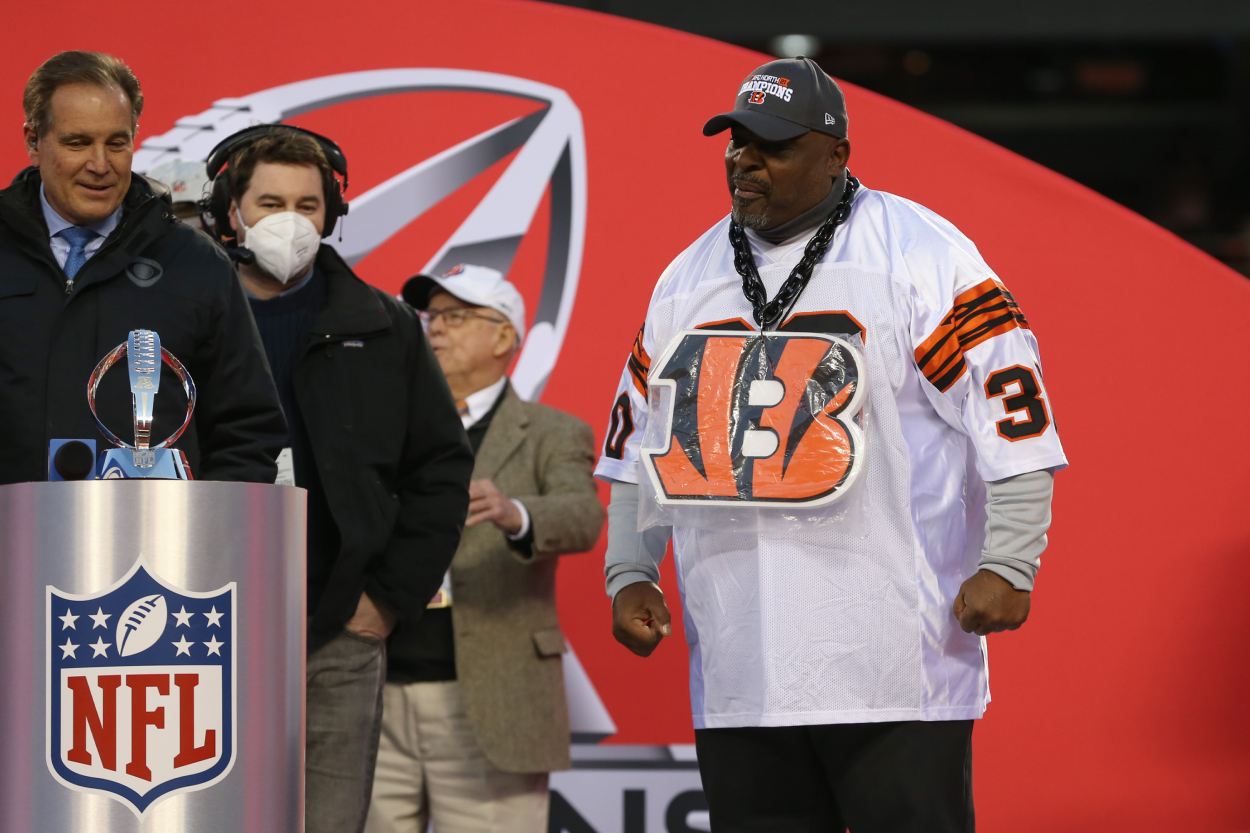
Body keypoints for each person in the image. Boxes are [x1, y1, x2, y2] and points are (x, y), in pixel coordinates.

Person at [596, 57, 1068, 832]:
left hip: (893, 660)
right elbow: (642, 438)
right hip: (740, 657)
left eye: (773, 146)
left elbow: (1013, 418)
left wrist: (1009, 560)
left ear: (836, 155)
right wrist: (630, 567)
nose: (745, 160)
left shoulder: (921, 256)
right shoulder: (686, 277)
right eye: (735, 142)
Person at [208, 125, 475, 833]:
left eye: (307, 202)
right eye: (269, 201)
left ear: (332, 213)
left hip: (339, 634)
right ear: (230, 208)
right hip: (201, 630)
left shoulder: (386, 325)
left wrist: (385, 598)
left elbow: (441, 470)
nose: (290, 220)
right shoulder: (185, 316)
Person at [364, 264, 605, 833]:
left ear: (504, 336)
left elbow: (583, 516)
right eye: (431, 317)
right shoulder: (382, 427)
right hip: (375, 687)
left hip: (492, 695)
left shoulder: (550, 430)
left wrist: (514, 512)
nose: (436, 329)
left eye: (455, 316)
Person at [0, 50, 285, 484]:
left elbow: (245, 431)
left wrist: (211, 536)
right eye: (78, 142)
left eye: (117, 142)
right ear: (33, 141)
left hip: (154, 546)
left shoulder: (198, 263)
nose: (100, 165)